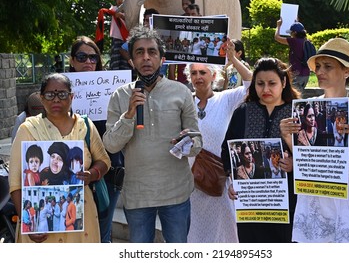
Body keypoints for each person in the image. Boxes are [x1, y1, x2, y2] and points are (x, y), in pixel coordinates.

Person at [103, 25, 202, 243]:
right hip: (138, 194)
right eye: (139, 52)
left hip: (176, 192)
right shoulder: (120, 96)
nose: (146, 58)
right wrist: (129, 114)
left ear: (162, 59)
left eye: (152, 52)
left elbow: (197, 142)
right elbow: (110, 145)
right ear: (131, 61)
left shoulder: (181, 92)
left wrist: (186, 141)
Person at [280, 37, 349, 243]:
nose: (320, 71)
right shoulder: (307, 108)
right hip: (314, 199)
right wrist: (287, 137)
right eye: (318, 66)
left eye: (328, 66)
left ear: (346, 72)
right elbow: (305, 161)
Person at [9, 72, 110, 243]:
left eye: (62, 94)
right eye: (50, 94)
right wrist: (28, 224)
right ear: (42, 98)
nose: (56, 99)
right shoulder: (28, 129)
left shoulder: (84, 126)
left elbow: (104, 161)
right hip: (40, 230)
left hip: (81, 221)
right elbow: (15, 183)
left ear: (72, 97)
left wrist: (92, 174)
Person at [221, 57, 300, 243]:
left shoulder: (296, 113)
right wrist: (234, 180)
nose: (265, 89)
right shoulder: (243, 112)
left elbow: (311, 158)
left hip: (288, 202)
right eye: (260, 83)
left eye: (272, 83)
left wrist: (294, 164)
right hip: (251, 202)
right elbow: (227, 150)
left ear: (284, 82)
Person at [184, 47, 251, 242]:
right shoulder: (185, 101)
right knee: (193, 233)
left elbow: (251, 84)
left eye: (203, 72)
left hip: (219, 179)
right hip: (191, 180)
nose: (198, 77)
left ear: (213, 75)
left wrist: (234, 60)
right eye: (194, 73)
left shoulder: (226, 98)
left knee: (223, 231)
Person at [69, 36, 124, 242]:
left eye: (93, 58)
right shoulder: (59, 89)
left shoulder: (113, 89)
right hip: (71, 175)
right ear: (72, 60)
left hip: (108, 173)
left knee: (102, 235)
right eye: (82, 57)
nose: (88, 62)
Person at [274, 19, 311, 92]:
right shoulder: (307, 41)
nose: (290, 35)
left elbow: (277, 38)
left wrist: (278, 26)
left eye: (291, 33)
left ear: (295, 33)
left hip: (297, 74)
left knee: (294, 96)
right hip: (306, 74)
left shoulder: (294, 41)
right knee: (300, 94)